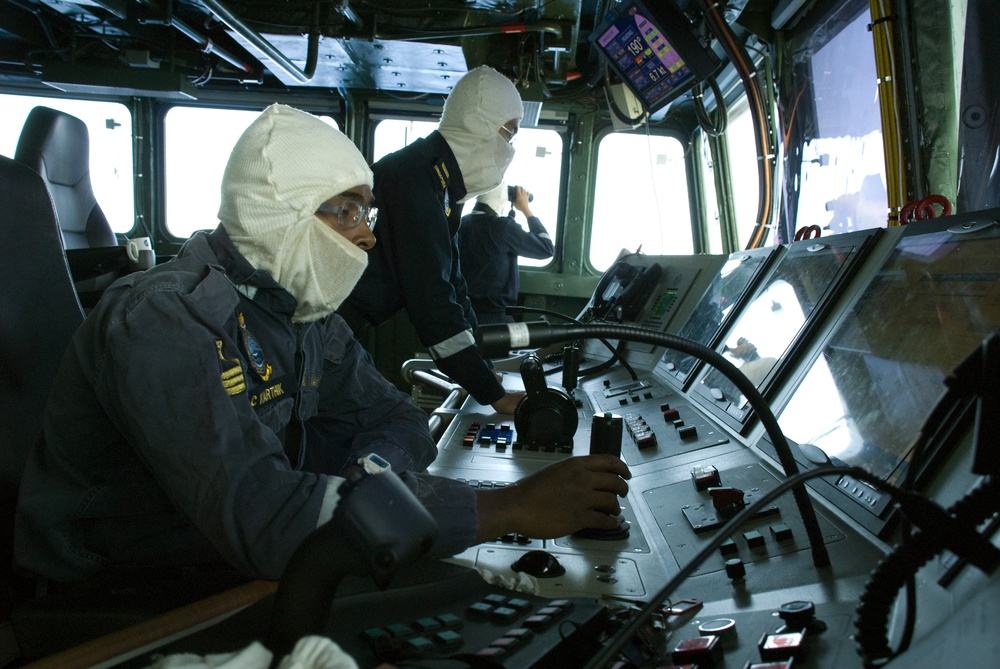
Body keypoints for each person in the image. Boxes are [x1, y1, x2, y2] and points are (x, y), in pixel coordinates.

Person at [14, 104, 631, 585]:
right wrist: (503, 510)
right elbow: (259, 517)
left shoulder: (302, 312)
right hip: (119, 582)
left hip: (216, 545)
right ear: (281, 211)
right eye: (347, 212)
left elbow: (398, 418)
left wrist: (371, 482)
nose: (367, 238)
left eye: (367, 214)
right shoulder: (163, 319)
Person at [339, 65, 525, 415]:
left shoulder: (439, 182)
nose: (509, 148)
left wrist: (482, 371)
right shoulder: (415, 179)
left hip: (347, 324)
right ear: (479, 124)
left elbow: (453, 284)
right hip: (327, 322)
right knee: (389, 421)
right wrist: (494, 395)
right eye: (509, 134)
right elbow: (432, 301)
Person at [458, 183, 554, 325]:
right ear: (502, 198)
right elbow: (546, 248)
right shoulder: (502, 227)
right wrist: (526, 209)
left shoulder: (462, 223)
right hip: (496, 318)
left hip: (464, 314)